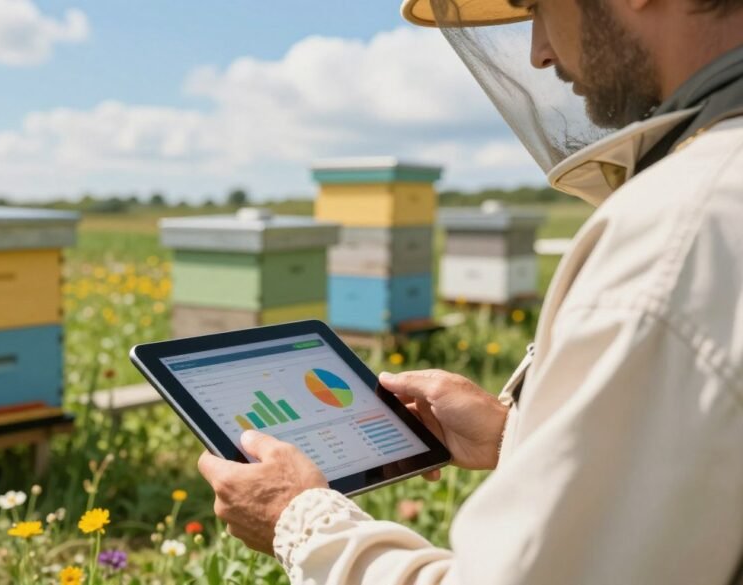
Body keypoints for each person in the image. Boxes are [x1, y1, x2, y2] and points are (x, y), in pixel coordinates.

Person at [197, 0, 743, 581]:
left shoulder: (683, 227)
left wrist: (299, 522)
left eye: (538, 6)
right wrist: (517, 436)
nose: (538, 51)